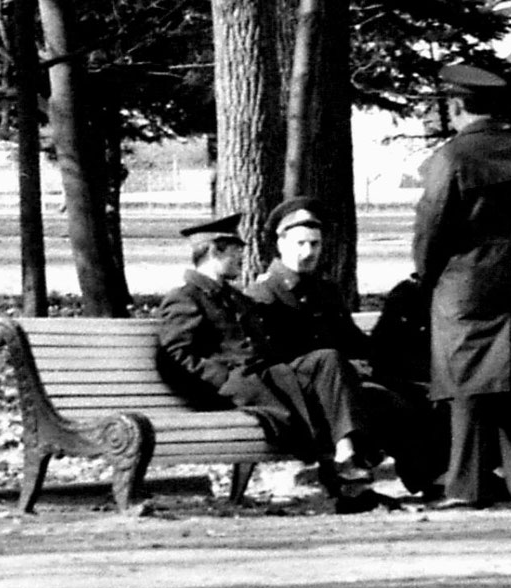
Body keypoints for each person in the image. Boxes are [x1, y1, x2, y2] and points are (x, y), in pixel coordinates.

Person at [154, 212, 375, 506]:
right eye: (235, 253)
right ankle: (343, 473)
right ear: (214, 251)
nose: (240, 260)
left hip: (265, 376)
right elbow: (175, 355)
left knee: (327, 360)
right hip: (234, 387)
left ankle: (346, 452)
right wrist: (223, 379)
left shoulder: (233, 297)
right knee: (313, 396)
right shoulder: (186, 297)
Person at [412, 61, 511, 507]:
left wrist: (427, 275)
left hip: (463, 282)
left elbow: (431, 227)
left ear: (457, 105)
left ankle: (465, 487)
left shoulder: (451, 157)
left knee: (466, 386)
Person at [249, 197, 439, 495]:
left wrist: (369, 360)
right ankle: (350, 464)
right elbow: (272, 356)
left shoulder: (326, 291)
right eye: (300, 244)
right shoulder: (263, 294)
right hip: (301, 391)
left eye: (315, 244)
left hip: (344, 384)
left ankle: (431, 476)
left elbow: (353, 340)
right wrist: (345, 367)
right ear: (280, 244)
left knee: (414, 395)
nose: (308, 252)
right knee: (380, 400)